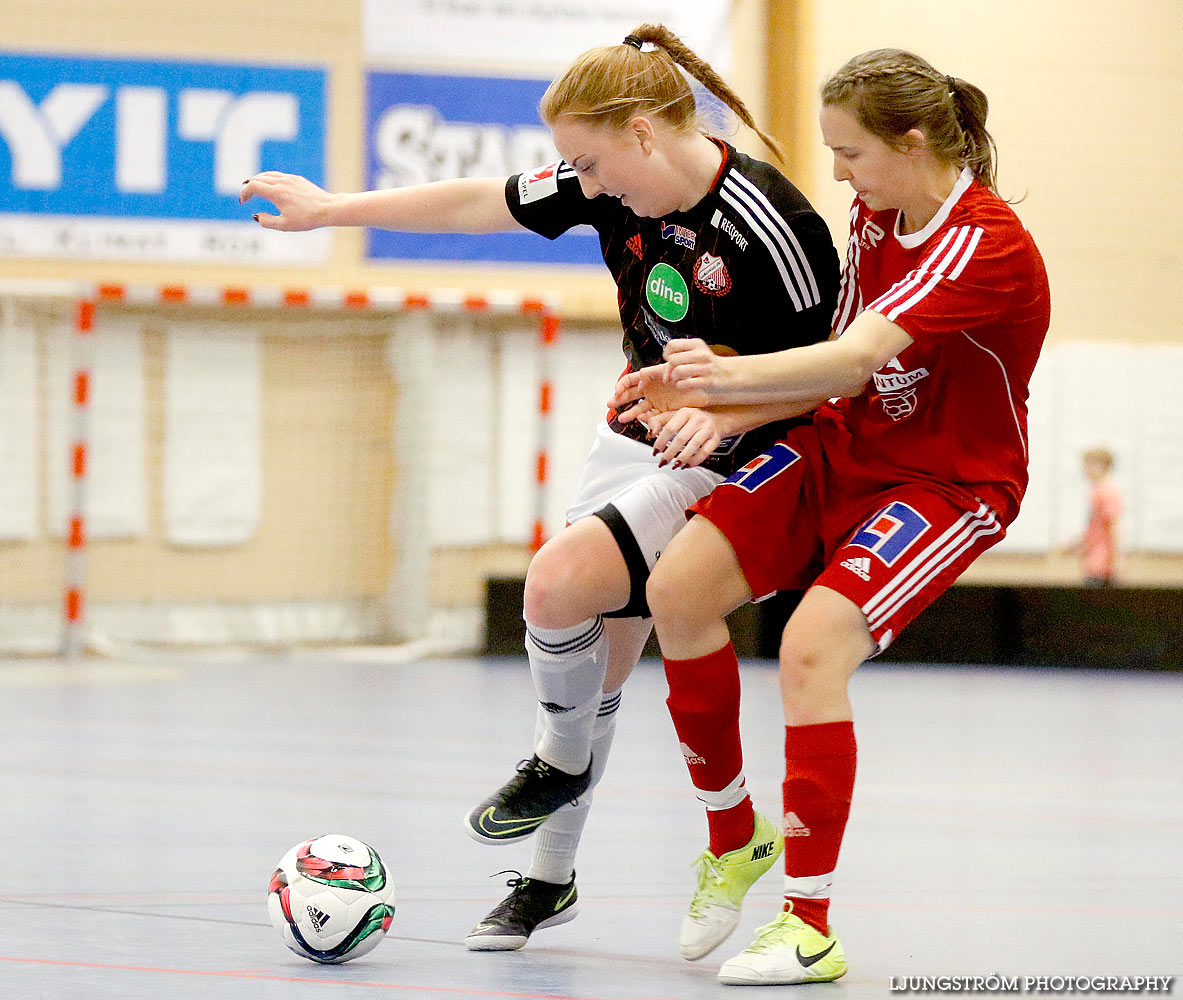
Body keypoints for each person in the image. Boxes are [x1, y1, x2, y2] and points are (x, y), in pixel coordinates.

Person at [240, 24, 839, 952]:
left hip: (738, 451)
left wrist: (725, 414)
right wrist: (334, 211)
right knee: (591, 664)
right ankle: (550, 875)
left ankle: (632, 831)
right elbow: (480, 200)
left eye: (591, 164)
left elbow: (827, 379)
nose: (583, 188)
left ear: (644, 132)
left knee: (573, 609)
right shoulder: (610, 183)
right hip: (638, 435)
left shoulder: (771, 223)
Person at [611, 48, 1052, 984]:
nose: (839, 174)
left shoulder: (986, 242)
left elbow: (855, 358)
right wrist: (721, 411)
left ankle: (807, 925)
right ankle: (733, 837)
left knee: (811, 648)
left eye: (848, 153)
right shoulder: (873, 212)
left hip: (945, 484)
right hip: (843, 449)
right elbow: (827, 374)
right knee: (678, 590)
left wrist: (708, 373)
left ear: (914, 140)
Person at [1074, 447, 1122, 586]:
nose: (1085, 469)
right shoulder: (1096, 490)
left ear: (1101, 465)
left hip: (1102, 562)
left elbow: (1113, 525)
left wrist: (1116, 559)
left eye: (1088, 464)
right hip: (1093, 560)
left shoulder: (1108, 491)